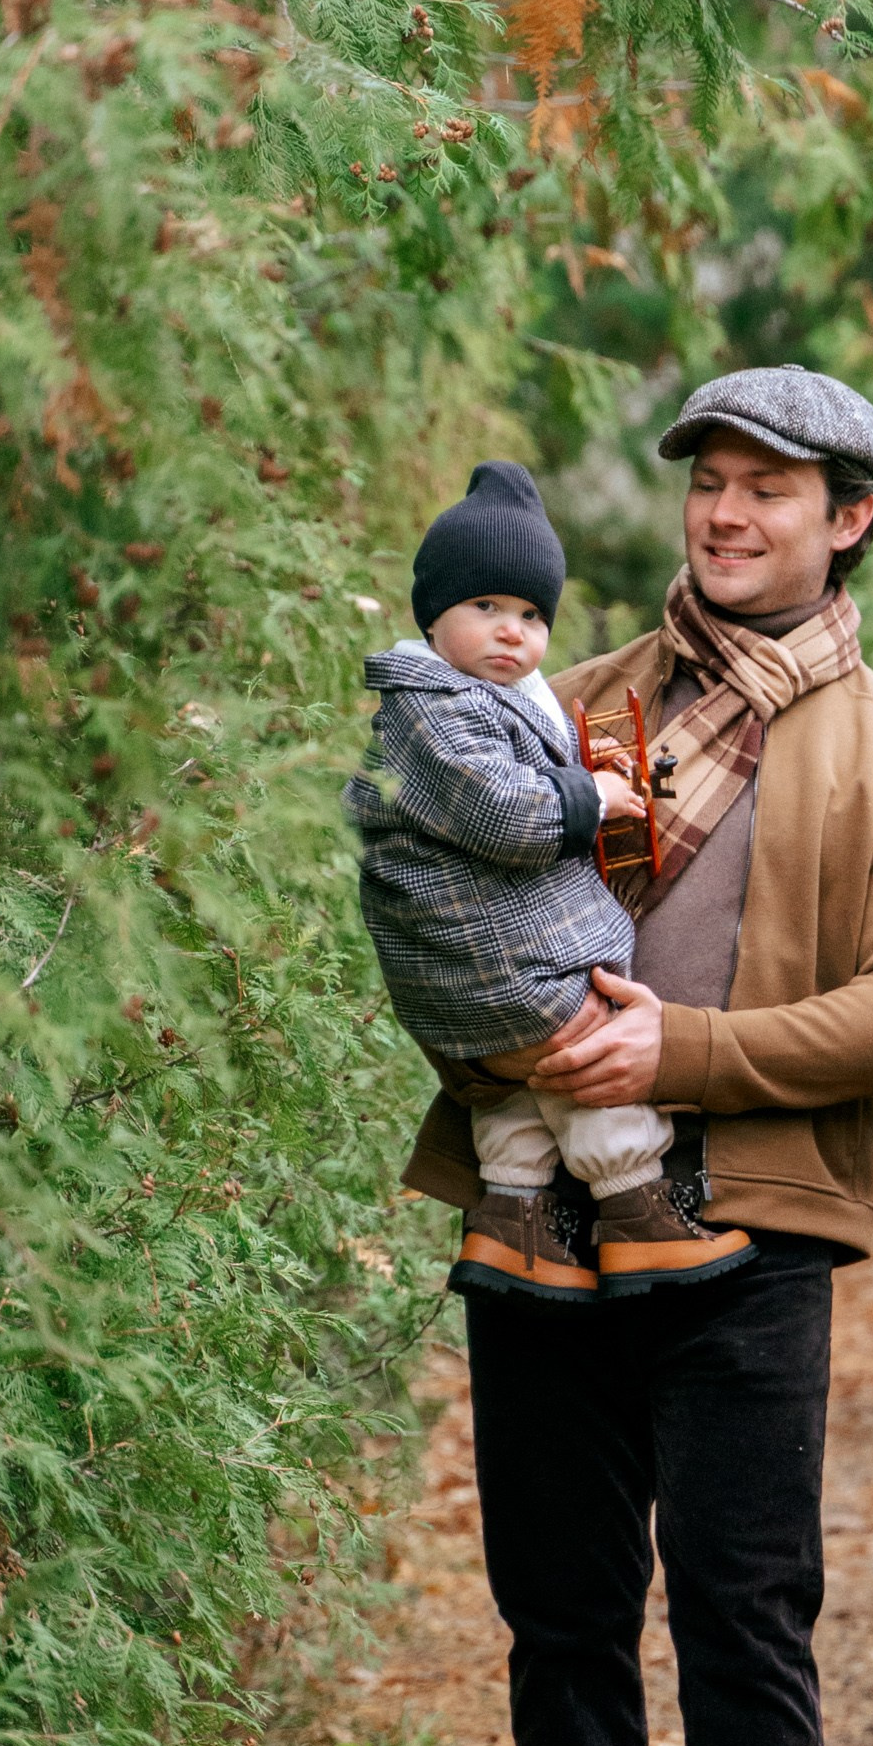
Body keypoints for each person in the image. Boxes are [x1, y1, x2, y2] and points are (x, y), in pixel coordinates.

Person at [400, 370, 873, 1746]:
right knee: (560, 1613)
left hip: (758, 1233)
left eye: (769, 490)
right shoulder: (559, 702)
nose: (727, 515)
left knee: (744, 1618)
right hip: (544, 1221)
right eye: (710, 482)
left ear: (847, 520)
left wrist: (686, 1052)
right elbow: (429, 895)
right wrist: (506, 1046)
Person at [349, 460, 754, 1300]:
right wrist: (591, 795)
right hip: (499, 964)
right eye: (485, 607)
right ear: (433, 615)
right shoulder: (435, 708)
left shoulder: (485, 699)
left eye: (531, 615)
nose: (511, 632)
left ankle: (512, 1219)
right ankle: (637, 1211)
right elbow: (504, 813)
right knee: (591, 1051)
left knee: (522, 1092)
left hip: (467, 977)